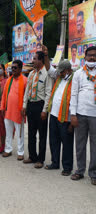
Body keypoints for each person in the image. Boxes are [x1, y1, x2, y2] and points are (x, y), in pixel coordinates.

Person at [43, 60, 74, 176]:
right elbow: (49, 69)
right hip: (54, 115)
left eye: (62, 72)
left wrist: (72, 121)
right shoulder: (60, 78)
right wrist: (46, 56)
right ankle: (55, 162)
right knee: (54, 141)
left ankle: (67, 167)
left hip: (66, 118)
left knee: (67, 143)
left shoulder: (74, 80)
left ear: (68, 70)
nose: (60, 74)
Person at [70, 46, 96, 185]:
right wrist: (73, 114)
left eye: (94, 56)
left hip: (94, 116)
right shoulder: (79, 73)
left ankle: (94, 173)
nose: (92, 58)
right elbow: (73, 94)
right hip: (80, 114)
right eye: (90, 55)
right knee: (80, 144)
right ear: (85, 57)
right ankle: (80, 170)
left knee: (95, 145)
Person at [22, 51, 53, 169]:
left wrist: (45, 110)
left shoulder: (47, 74)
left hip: (41, 106)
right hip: (31, 105)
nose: (33, 61)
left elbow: (48, 93)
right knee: (31, 133)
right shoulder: (31, 74)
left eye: (35, 59)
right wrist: (24, 106)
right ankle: (32, 156)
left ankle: (40, 159)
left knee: (42, 134)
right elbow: (27, 91)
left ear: (41, 60)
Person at [0, 60, 27, 160]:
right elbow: (4, 95)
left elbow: (26, 97)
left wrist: (24, 109)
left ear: (20, 69)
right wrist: (2, 107)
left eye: (15, 68)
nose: (13, 70)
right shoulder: (9, 80)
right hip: (8, 111)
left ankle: (20, 152)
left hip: (18, 112)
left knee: (20, 133)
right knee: (8, 132)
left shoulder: (24, 80)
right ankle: (8, 149)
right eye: (12, 68)